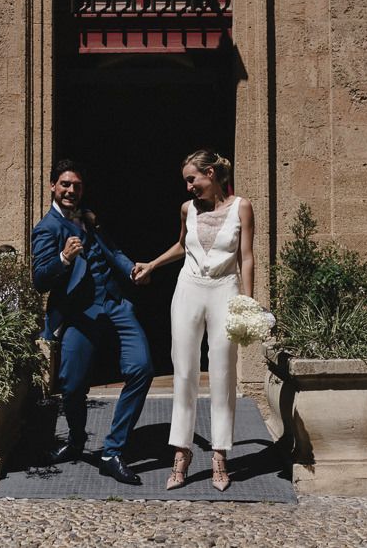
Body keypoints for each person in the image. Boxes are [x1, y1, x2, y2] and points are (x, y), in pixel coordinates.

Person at [132, 150, 254, 491]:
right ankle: (181, 454)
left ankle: (219, 456)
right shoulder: (188, 209)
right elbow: (183, 246)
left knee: (222, 372)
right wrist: (153, 265)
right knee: (184, 371)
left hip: (225, 291)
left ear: (210, 173)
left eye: (192, 179)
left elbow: (246, 256)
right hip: (188, 290)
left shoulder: (242, 206)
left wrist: (247, 299)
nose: (188, 187)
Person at [31, 159, 154, 485]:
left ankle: (113, 451)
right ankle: (75, 441)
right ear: (53, 187)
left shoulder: (89, 219)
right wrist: (63, 258)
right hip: (79, 315)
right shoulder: (47, 228)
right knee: (71, 385)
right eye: (65, 185)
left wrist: (131, 270)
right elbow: (40, 280)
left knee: (141, 367)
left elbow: (112, 251)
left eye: (77, 185)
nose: (72, 190)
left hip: (114, 305)